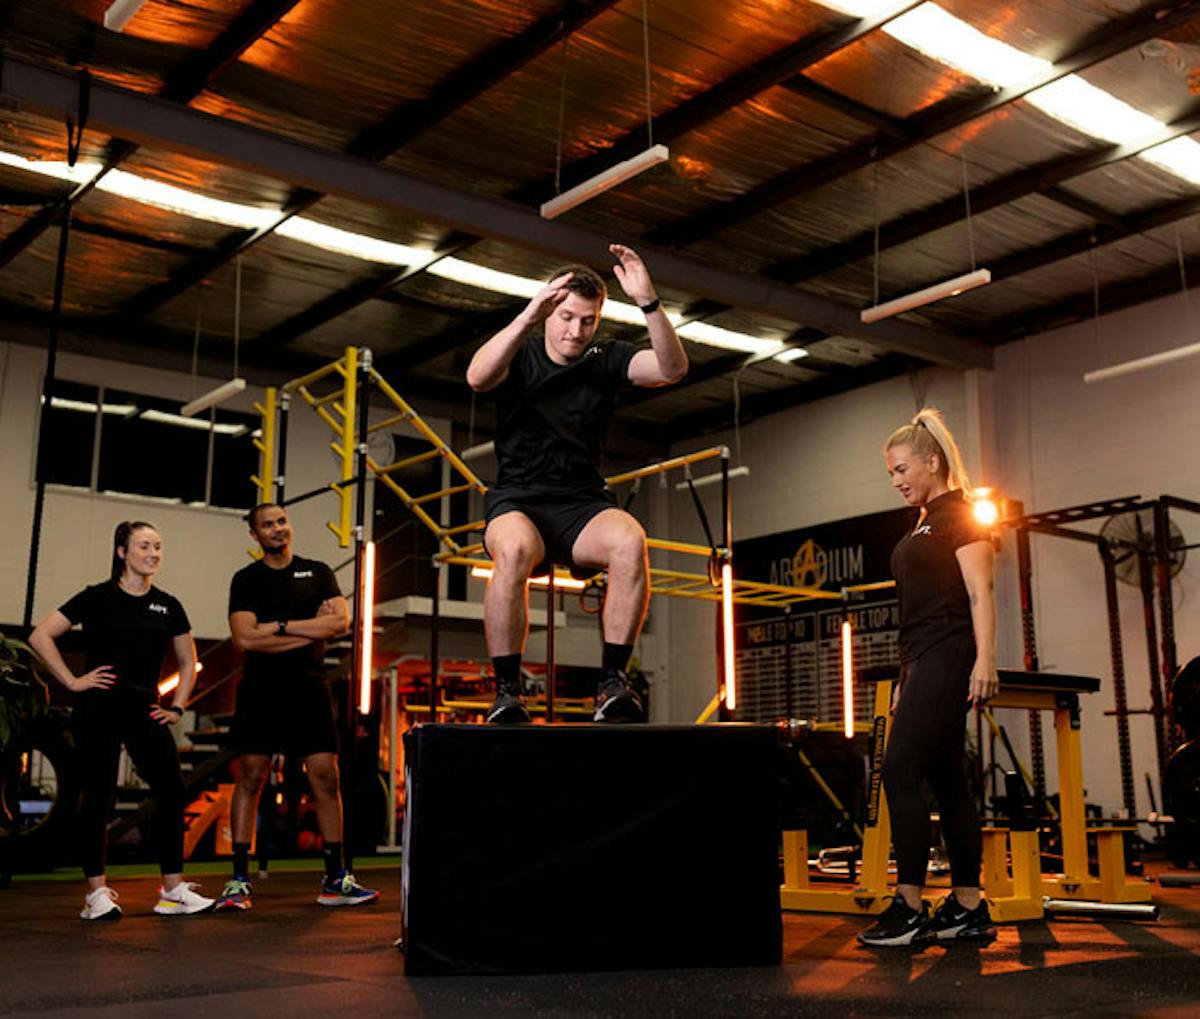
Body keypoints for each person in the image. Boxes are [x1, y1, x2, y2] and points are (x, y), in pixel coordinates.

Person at [466, 244, 688, 724]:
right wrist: (526, 318)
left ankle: (612, 683)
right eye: (566, 316)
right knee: (515, 550)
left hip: (581, 503)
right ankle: (506, 691)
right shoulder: (520, 353)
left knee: (630, 538)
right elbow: (478, 377)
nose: (575, 330)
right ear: (549, 312)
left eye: (587, 320)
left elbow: (672, 370)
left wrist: (648, 302)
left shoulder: (605, 358)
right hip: (519, 500)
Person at [857, 408, 998, 948]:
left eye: (900, 470)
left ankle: (909, 906)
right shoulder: (922, 522)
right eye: (890, 473)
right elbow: (914, 607)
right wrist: (905, 677)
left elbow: (982, 592)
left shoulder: (961, 514)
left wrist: (986, 659)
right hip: (922, 659)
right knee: (946, 782)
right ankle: (967, 906)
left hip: (949, 651)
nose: (895, 481)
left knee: (898, 769)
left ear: (932, 462)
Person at [29, 521, 214, 921]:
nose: (153, 553)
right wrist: (73, 681)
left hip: (146, 711)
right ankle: (95, 895)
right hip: (98, 710)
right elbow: (41, 635)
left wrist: (178, 707)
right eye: (145, 546)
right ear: (122, 552)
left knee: (171, 790)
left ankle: (172, 890)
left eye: (158, 547)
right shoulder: (96, 597)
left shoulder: (168, 604)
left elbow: (188, 662)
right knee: (97, 798)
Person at [215, 503, 378, 911]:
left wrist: (280, 627)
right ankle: (238, 880)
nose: (277, 529)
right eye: (267, 525)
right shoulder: (247, 580)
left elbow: (339, 623)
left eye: (282, 521)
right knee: (251, 777)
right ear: (255, 535)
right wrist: (309, 629)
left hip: (309, 688)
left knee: (325, 776)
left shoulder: (319, 571)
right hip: (260, 689)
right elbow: (245, 640)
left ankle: (335, 878)